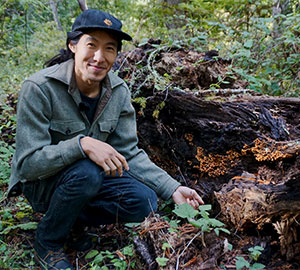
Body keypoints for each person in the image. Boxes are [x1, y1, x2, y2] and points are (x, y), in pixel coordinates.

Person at [7, 9, 204, 270]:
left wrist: (172, 188)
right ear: (73, 45)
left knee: (144, 200)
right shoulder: (40, 88)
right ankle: (49, 241)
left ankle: (72, 222)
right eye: (91, 45)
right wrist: (82, 144)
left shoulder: (118, 92)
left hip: (86, 181)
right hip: (43, 185)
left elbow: (129, 153)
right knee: (87, 172)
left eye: (109, 48)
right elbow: (28, 165)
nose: (99, 57)